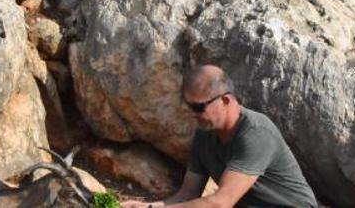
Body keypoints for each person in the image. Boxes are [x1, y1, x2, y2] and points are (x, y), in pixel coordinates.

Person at [122, 64, 318, 208]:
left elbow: (221, 203)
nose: (192, 113)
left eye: (198, 107)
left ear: (225, 100)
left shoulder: (256, 132)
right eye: (188, 105)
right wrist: (149, 206)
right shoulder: (204, 134)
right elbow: (188, 194)